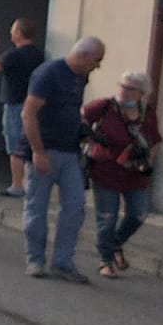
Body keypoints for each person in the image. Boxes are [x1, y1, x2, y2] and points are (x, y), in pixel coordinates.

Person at [20, 35, 106, 282]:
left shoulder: (80, 77)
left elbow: (73, 108)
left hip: (69, 151)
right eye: (97, 60)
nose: (98, 66)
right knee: (37, 208)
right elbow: (28, 114)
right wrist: (37, 151)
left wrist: (82, 129)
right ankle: (35, 260)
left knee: (75, 207)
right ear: (84, 56)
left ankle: (62, 262)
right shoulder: (48, 74)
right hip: (45, 149)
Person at [84, 70, 163, 279]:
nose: (123, 91)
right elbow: (81, 119)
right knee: (107, 217)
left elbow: (155, 140)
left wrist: (148, 162)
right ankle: (105, 260)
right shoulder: (104, 107)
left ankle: (115, 244)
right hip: (106, 170)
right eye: (121, 86)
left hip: (135, 174)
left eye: (130, 88)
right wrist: (90, 137)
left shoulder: (147, 112)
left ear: (141, 93)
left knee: (138, 214)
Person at [0, 17, 43, 198]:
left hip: (15, 102)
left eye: (13, 30)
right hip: (33, 103)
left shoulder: (13, 55)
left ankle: (16, 185)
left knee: (15, 144)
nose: (10, 33)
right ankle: (29, 182)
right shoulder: (38, 54)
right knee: (30, 141)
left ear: (18, 33)